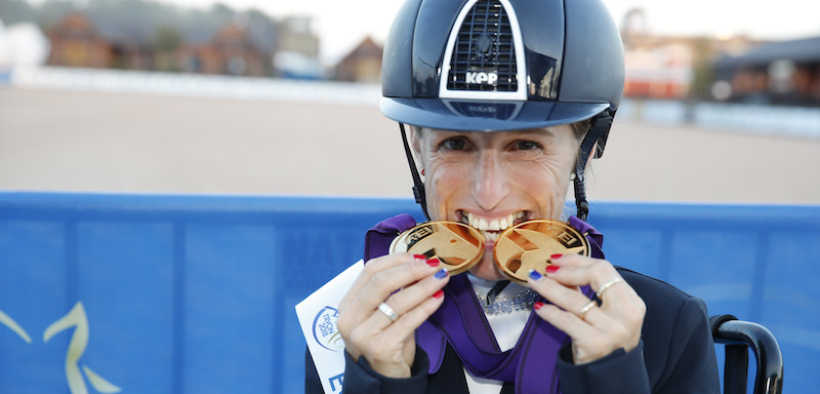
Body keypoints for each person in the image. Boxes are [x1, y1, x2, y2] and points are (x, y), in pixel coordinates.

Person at [305, 0, 721, 392]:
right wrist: (378, 385)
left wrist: (615, 382)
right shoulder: (357, 324)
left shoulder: (668, 331)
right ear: (418, 146)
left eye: (525, 145)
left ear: (587, 148)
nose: (488, 193)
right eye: (456, 144)